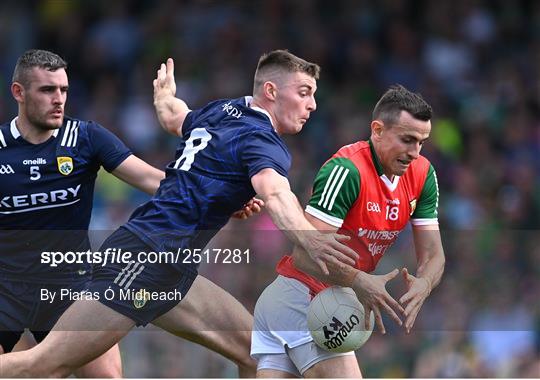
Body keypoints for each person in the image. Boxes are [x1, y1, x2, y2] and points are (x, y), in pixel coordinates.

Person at [0, 49, 358, 377]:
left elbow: (177, 118)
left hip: (171, 264)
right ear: (271, 90)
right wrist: (311, 241)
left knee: (259, 354)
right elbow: (276, 193)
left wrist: (164, 99)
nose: (312, 104)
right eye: (304, 92)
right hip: (143, 258)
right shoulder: (262, 141)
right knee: (41, 364)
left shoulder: (221, 111)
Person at [251, 85, 446, 378]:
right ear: (377, 130)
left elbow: (433, 254)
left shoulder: (423, 174)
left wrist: (426, 283)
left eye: (421, 142)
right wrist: (359, 280)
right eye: (407, 140)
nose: (414, 152)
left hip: (320, 302)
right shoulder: (346, 171)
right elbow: (305, 256)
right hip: (301, 297)